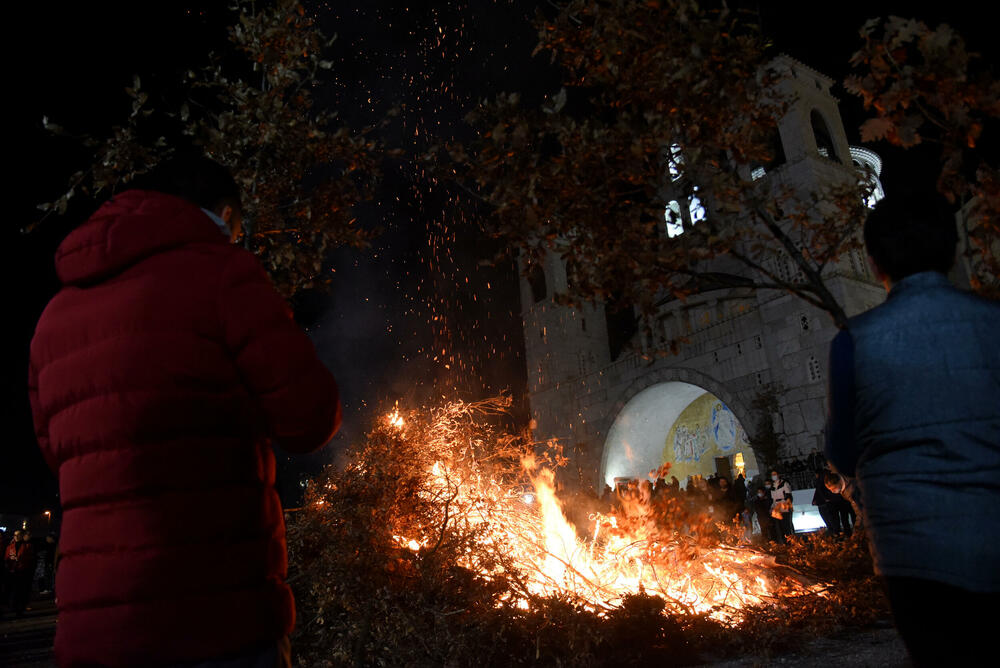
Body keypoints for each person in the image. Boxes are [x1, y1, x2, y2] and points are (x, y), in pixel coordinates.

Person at [28, 154, 342, 667]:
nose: (234, 239)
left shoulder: (52, 321)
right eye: (235, 228)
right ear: (220, 213)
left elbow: (62, 456)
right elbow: (310, 416)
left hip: (92, 634)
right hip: (217, 621)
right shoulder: (223, 273)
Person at [824, 191, 1000, 667]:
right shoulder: (992, 322)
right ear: (953, 249)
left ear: (874, 260)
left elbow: (842, 449)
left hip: (911, 551)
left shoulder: (854, 342)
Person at [768, 469, 794, 541]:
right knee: (780, 527)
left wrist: (787, 506)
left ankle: (791, 542)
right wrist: (772, 508)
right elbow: (773, 500)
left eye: (775, 474)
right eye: (772, 475)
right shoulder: (772, 487)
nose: (773, 476)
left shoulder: (784, 483)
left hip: (784, 507)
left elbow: (789, 496)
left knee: (787, 526)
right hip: (777, 509)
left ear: (778, 475)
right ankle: (784, 543)